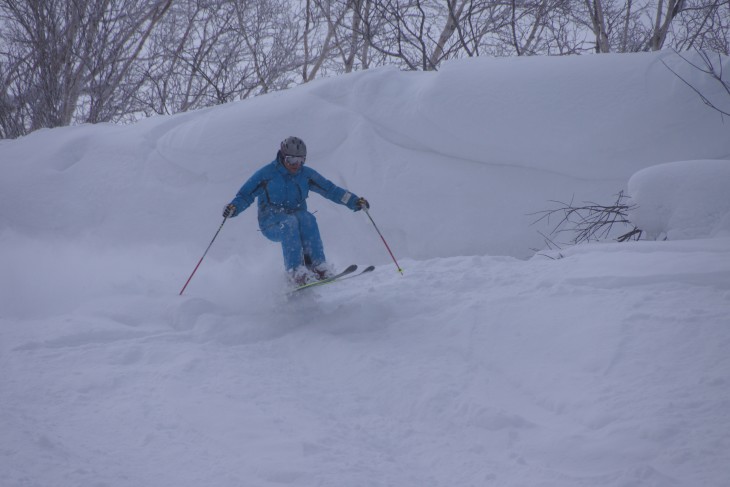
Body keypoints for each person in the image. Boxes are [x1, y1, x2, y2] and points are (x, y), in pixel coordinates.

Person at [223, 136, 369, 286]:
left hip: (297, 218)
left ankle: (318, 267)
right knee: (289, 222)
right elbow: (245, 194)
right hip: (271, 222)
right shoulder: (267, 174)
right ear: (282, 156)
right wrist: (234, 208)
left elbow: (330, 190)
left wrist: (354, 201)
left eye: (300, 161)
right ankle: (295, 272)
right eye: (291, 160)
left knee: (308, 218)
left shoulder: (305, 175)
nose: (296, 165)